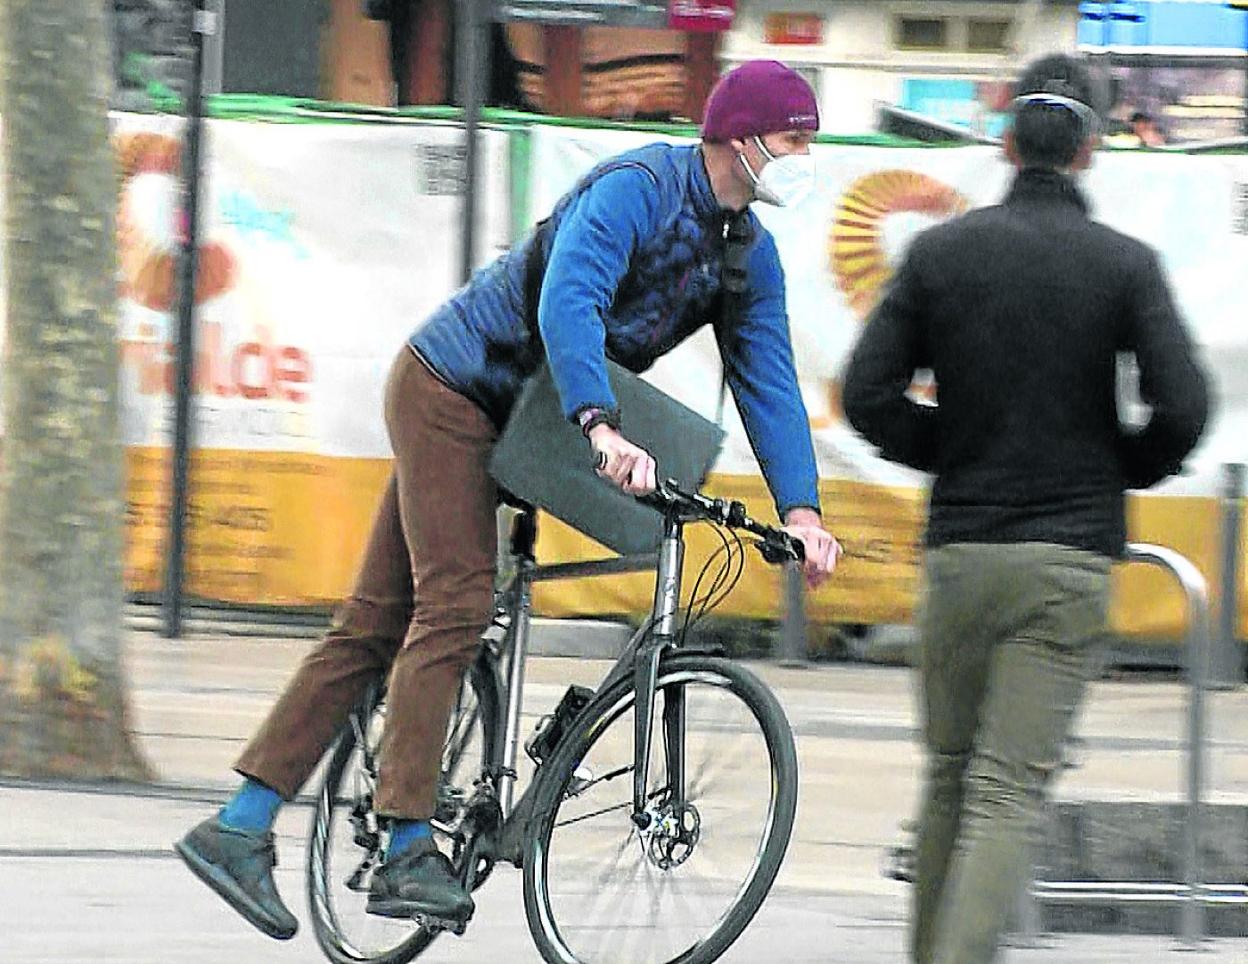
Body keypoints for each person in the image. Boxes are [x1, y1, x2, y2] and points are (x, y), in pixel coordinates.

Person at [174, 59, 842, 941]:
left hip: (530, 416)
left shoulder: (746, 254)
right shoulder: (636, 189)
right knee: (454, 601)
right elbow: (572, 299)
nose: (804, 158)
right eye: (796, 139)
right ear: (740, 136)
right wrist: (598, 423)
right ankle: (410, 841)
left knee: (376, 621)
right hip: (454, 387)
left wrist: (802, 509)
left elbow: (769, 382)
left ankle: (241, 826)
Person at [841, 54, 1209, 964]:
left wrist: (946, 450)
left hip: (961, 554)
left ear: (1006, 141)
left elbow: (867, 394)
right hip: (1066, 565)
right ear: (1089, 151)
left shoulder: (937, 253)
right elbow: (1186, 406)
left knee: (949, 784)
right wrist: (1117, 467)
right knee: (1008, 793)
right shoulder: (1124, 266)